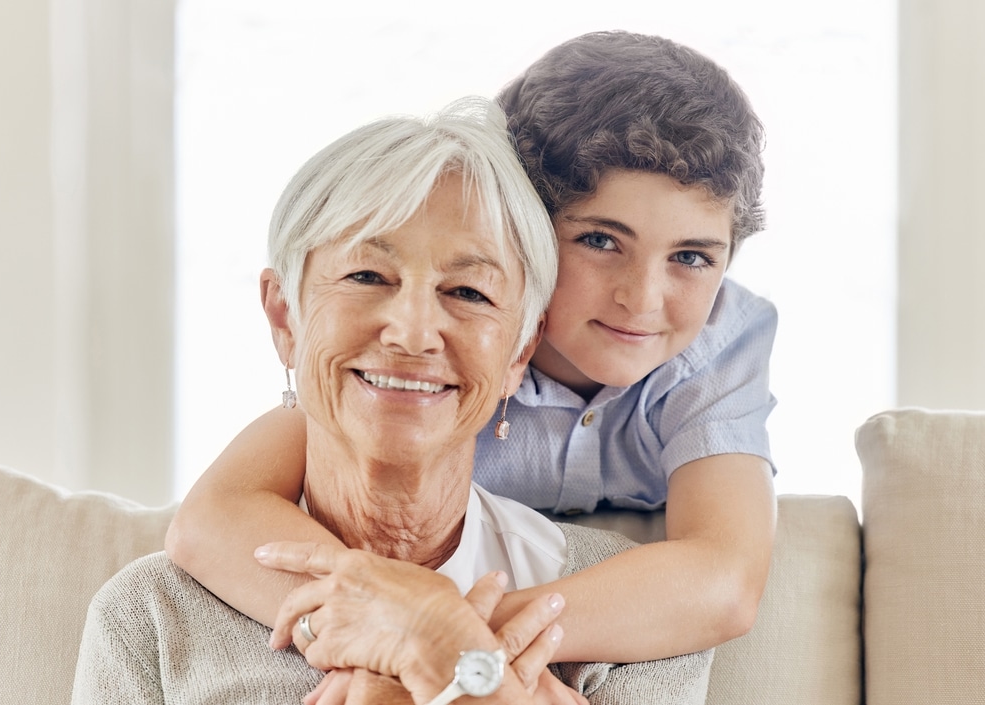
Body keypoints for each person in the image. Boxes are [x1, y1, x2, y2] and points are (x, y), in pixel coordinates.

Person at [166, 30, 778, 666]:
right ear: (517, 235)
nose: (643, 298)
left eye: (691, 256)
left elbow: (725, 583)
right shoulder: (429, 367)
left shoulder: (720, 340)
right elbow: (212, 520)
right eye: (600, 240)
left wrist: (439, 631)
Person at [74, 98, 713, 705]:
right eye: (367, 277)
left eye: (468, 292)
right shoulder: (151, 613)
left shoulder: (633, 625)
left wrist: (446, 644)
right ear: (285, 318)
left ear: (520, 352)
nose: (411, 332)